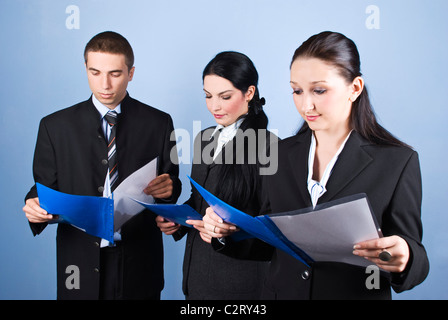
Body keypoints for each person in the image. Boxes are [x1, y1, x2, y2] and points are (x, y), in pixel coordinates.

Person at [203, 31, 429, 299]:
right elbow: (270, 244)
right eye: (297, 90)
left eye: (319, 90)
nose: (305, 104)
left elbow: (416, 257)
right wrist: (225, 233)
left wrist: (405, 257)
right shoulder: (280, 154)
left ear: (354, 88)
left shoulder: (397, 162)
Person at [22, 31, 181, 300]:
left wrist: (170, 190)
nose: (104, 84)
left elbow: (171, 185)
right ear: (85, 68)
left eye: (115, 74)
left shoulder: (160, 122)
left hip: (140, 264)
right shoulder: (54, 126)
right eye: (95, 72)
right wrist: (34, 204)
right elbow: (42, 188)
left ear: (131, 73)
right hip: (78, 263)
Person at [156, 51, 276, 300]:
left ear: (249, 93)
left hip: (239, 285)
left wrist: (228, 232)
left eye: (225, 96)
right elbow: (197, 200)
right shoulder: (204, 138)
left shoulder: (269, 147)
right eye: (208, 96)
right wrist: (177, 221)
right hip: (196, 279)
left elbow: (272, 227)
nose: (214, 106)